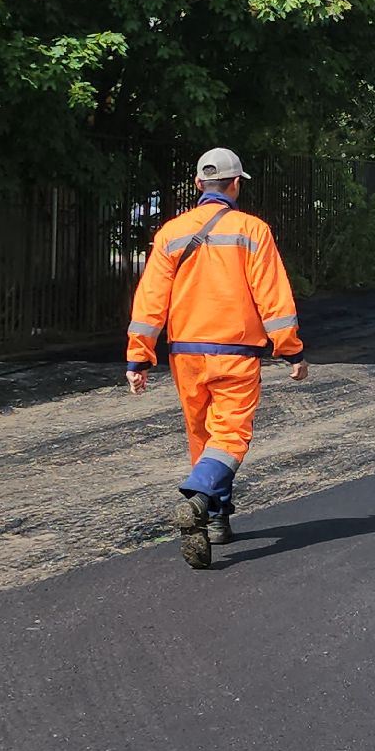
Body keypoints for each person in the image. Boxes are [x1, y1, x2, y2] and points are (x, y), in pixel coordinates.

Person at [126, 148, 308, 569]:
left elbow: (151, 299)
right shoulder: (252, 230)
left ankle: (215, 520)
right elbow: (273, 298)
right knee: (230, 436)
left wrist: (138, 357)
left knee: (202, 437)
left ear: (197, 185)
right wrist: (291, 348)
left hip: (184, 353)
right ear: (236, 184)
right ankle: (198, 497)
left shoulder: (171, 232)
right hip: (236, 352)